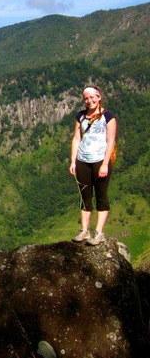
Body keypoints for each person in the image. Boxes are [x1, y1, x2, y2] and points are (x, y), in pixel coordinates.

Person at [69, 86, 117, 245]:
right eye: (86, 98)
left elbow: (111, 141)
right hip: (83, 161)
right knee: (84, 197)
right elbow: (76, 138)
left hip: (100, 161)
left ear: (99, 96)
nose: (89, 101)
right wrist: (73, 161)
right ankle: (84, 231)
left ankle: (99, 232)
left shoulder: (108, 117)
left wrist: (105, 164)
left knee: (101, 196)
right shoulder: (80, 116)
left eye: (92, 97)